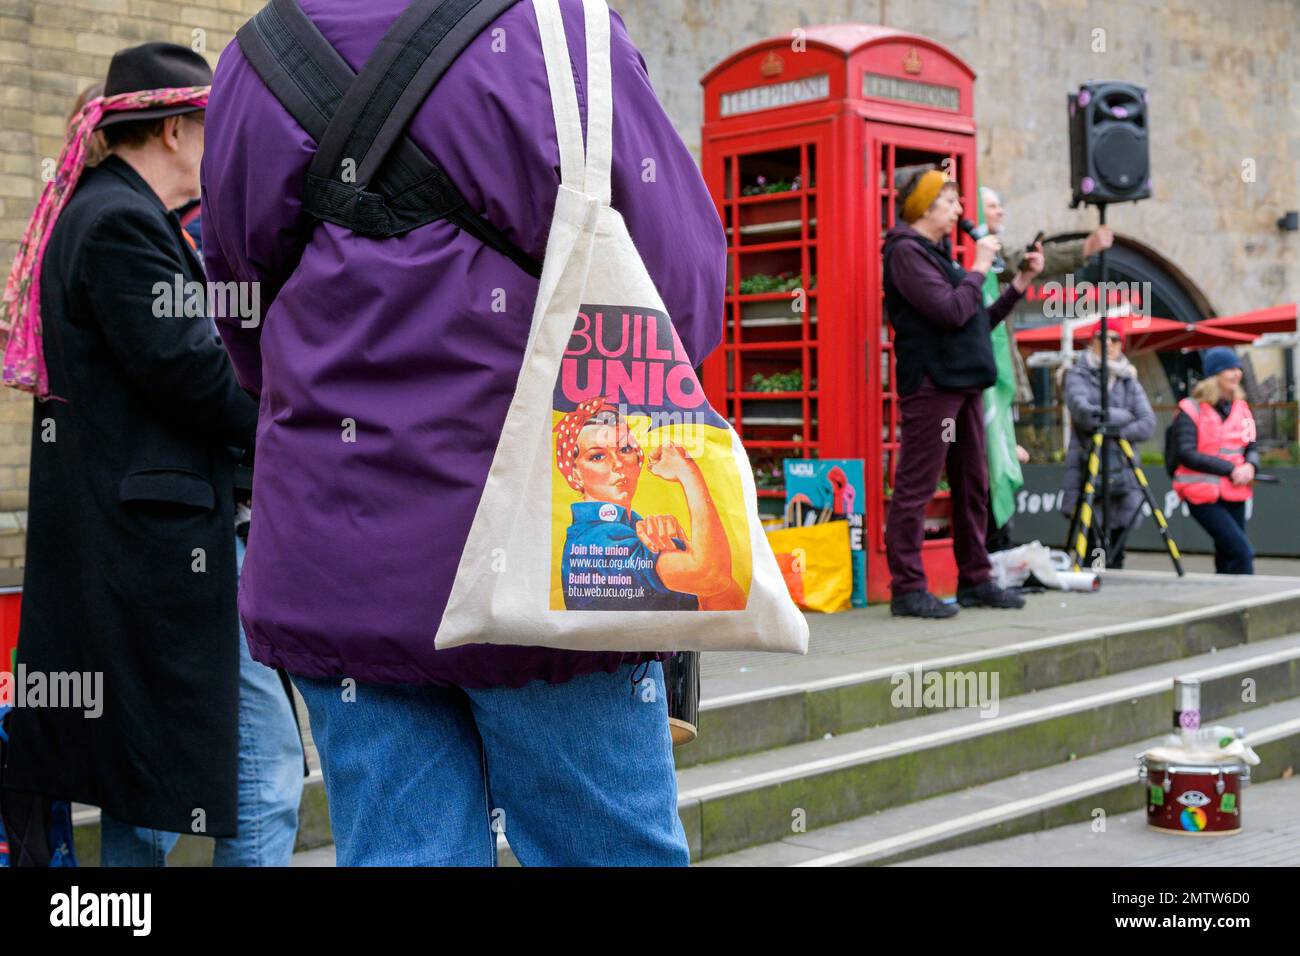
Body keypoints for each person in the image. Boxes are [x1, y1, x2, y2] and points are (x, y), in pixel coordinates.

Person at [202, 0, 725, 865]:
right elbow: (682, 290)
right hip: (553, 554)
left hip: (339, 554)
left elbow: (239, 308)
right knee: (606, 851)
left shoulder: (256, 56)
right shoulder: (565, 30)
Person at [0, 43, 302, 866]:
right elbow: (198, 376)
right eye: (217, 127)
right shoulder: (119, 224)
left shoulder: (118, 214)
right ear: (174, 129)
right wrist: (302, 405)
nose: (227, 146)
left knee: (149, 797)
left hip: (151, 554)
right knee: (259, 772)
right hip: (162, 555)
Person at [881, 168, 1043, 618]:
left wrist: (1018, 287)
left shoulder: (940, 256)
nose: (958, 210)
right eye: (950, 202)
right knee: (918, 486)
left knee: (973, 485)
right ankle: (908, 588)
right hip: (933, 385)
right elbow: (951, 311)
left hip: (967, 382)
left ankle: (975, 579)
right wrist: (976, 268)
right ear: (925, 207)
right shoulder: (905, 254)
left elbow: (974, 321)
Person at [979, 186, 1114, 551]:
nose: (1001, 212)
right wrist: (1083, 249)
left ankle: (999, 550)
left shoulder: (989, 256)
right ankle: (993, 552)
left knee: (1003, 464)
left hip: (998, 382)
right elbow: (1021, 263)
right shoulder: (981, 255)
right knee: (993, 466)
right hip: (982, 385)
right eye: (993, 206)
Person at [554, 398, 744, 611]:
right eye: (597, 456)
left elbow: (730, 604)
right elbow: (712, 576)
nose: (618, 464)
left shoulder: (636, 528)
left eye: (624, 449)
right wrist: (688, 473)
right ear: (575, 474)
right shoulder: (595, 539)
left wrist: (683, 542)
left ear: (638, 458)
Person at [1059, 322, 1156, 568]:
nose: (1108, 344)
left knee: (1118, 544)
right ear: (1092, 341)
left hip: (1122, 473)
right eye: (1102, 338)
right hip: (1088, 468)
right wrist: (1125, 417)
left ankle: (1116, 591)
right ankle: (1095, 591)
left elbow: (1147, 424)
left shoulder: (1128, 379)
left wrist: (1110, 428)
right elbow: (1085, 414)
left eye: (1114, 339)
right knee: (1093, 546)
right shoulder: (1077, 374)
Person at [1169, 347, 1259, 574]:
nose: (1236, 374)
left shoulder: (1242, 408)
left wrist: (1251, 465)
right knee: (1241, 552)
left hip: (1235, 491)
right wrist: (1231, 468)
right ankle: (1246, 603)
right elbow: (1186, 453)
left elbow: (1252, 446)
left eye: (1237, 368)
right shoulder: (1190, 409)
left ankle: (1226, 602)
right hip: (1201, 494)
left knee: (1227, 553)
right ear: (1215, 374)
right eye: (1229, 369)